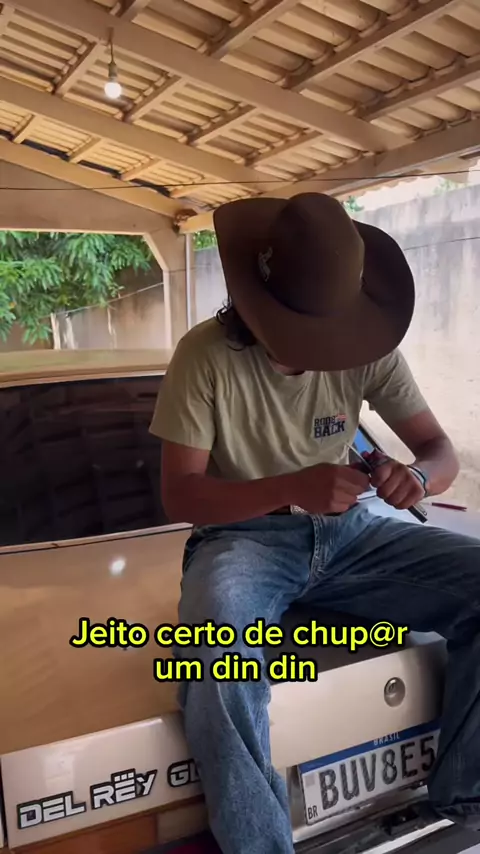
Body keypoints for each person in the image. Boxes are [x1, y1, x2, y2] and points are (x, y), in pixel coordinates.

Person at [149, 193, 480, 854]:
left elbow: (440, 454)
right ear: (256, 303)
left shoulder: (364, 343)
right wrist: (290, 486)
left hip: (353, 536)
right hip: (243, 541)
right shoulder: (204, 356)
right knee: (213, 651)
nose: (320, 351)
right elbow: (181, 496)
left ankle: (464, 796)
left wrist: (417, 478)